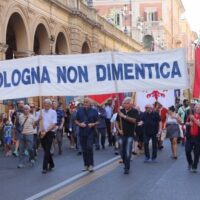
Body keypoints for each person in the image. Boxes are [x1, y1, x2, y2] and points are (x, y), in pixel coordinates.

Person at [75, 98, 99, 172]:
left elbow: (98, 121)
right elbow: (75, 120)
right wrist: (80, 124)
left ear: (90, 103)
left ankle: (91, 165)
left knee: (89, 147)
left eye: (87, 102)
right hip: (82, 132)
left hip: (90, 132)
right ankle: (86, 165)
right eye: (84, 102)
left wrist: (93, 124)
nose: (85, 103)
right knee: (84, 149)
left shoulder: (94, 111)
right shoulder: (80, 110)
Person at [116, 97, 138, 174]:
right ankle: (125, 162)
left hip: (130, 134)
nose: (125, 105)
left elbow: (134, 120)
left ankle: (126, 167)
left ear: (130, 104)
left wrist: (124, 116)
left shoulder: (134, 111)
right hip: (121, 134)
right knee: (121, 150)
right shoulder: (120, 111)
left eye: (127, 103)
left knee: (128, 151)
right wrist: (119, 130)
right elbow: (116, 122)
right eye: (124, 103)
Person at [39, 99, 57, 174]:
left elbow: (54, 124)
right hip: (41, 133)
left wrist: (46, 131)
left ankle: (44, 167)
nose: (46, 105)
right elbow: (35, 123)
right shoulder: (40, 112)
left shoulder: (53, 112)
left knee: (47, 150)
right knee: (45, 149)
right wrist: (38, 120)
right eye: (44, 104)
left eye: (47, 104)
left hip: (49, 132)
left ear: (50, 105)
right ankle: (52, 164)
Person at [185, 104, 200, 173]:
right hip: (190, 137)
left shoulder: (194, 117)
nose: (197, 109)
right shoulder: (190, 116)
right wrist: (188, 123)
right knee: (187, 151)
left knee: (196, 153)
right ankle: (190, 162)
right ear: (194, 108)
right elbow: (186, 122)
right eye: (196, 107)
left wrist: (194, 119)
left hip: (198, 137)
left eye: (199, 108)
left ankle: (194, 167)